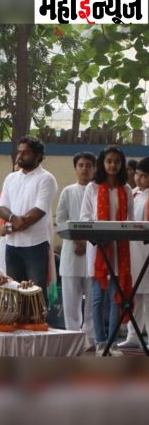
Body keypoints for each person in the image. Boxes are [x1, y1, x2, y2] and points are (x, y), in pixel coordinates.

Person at [80, 146, 133, 356]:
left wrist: (117, 230)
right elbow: (85, 217)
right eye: (109, 161)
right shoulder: (92, 188)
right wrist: (101, 232)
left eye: (117, 162)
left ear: (121, 165)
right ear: (103, 163)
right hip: (99, 248)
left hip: (119, 249)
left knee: (115, 297)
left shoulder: (126, 189)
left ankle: (112, 342)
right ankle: (100, 341)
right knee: (97, 298)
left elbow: (128, 219)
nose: (112, 165)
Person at [0, 136, 58, 302]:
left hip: (35, 246)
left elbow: (37, 213)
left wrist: (10, 227)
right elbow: (1, 208)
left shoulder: (46, 179)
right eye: (19, 152)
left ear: (38, 156)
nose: (20, 156)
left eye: (26, 153)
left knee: (34, 294)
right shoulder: (11, 178)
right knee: (14, 293)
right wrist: (14, 220)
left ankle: (38, 326)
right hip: (12, 246)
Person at [55, 152, 96, 345]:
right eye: (81, 165)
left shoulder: (98, 192)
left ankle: (89, 337)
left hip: (93, 251)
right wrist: (78, 241)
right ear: (75, 168)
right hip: (71, 252)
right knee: (71, 300)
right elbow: (60, 221)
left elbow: (100, 221)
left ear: (94, 168)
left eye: (89, 165)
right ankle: (72, 337)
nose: (85, 168)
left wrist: (86, 242)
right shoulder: (68, 191)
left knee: (92, 301)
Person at [121, 156, 149, 348]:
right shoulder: (133, 194)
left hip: (147, 251)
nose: (139, 179)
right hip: (133, 253)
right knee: (134, 296)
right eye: (138, 175)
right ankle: (133, 335)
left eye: (144, 176)